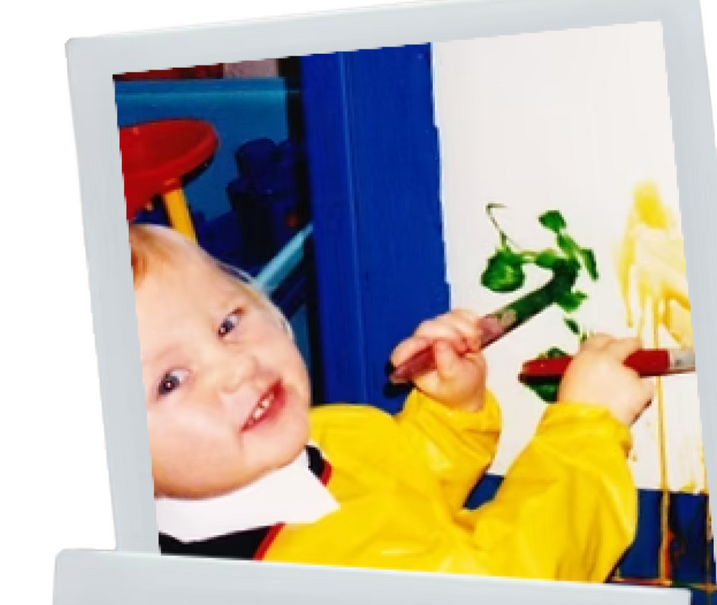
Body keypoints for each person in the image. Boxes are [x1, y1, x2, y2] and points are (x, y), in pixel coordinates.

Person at [131, 223, 656, 576]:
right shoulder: (320, 573)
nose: (235, 366)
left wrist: (451, 410)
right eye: (170, 381)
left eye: (227, 323)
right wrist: (589, 428)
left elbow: (396, 482)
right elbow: (525, 579)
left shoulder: (317, 434)